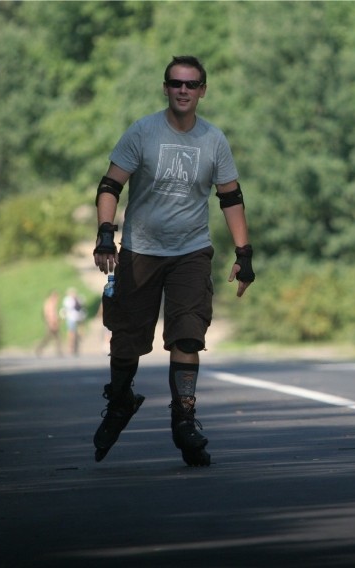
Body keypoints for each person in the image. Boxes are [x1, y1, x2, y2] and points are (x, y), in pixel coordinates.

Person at [91, 55, 255, 466]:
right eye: (176, 83)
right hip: (141, 249)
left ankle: (184, 419)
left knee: (187, 333)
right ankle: (120, 400)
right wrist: (106, 234)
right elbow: (110, 184)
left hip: (191, 251)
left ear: (202, 90)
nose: (183, 90)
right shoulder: (143, 132)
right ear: (166, 88)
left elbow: (231, 197)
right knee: (126, 339)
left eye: (191, 84)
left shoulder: (214, 140)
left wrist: (244, 253)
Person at [35, 289, 62, 357]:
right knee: (48, 337)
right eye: (55, 296)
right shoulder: (49, 303)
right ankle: (39, 348)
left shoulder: (53, 303)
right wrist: (50, 322)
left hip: (54, 322)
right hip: (50, 322)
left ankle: (59, 351)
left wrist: (57, 320)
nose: (57, 298)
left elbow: (55, 314)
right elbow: (47, 313)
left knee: (57, 337)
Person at [61, 287, 85, 356]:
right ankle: (70, 347)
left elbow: (81, 307)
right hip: (70, 318)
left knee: (77, 332)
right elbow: (66, 309)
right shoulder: (67, 300)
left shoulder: (79, 298)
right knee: (71, 333)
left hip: (78, 317)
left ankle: (76, 346)